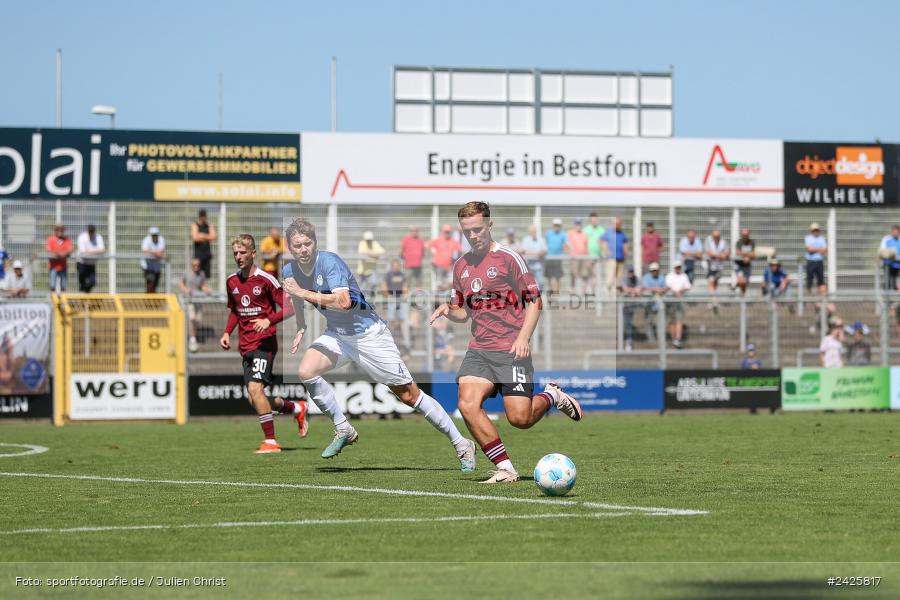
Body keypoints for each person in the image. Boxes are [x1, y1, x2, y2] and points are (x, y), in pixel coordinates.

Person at [281, 219, 474, 467]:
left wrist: (302, 293)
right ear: (290, 247)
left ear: (315, 243)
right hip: (338, 334)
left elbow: (343, 302)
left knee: (409, 395)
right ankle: (343, 428)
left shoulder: (329, 262)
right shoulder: (289, 270)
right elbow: (295, 293)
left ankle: (461, 444)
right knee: (306, 371)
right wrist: (301, 325)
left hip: (369, 335)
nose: (304, 249)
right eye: (298, 245)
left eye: (308, 243)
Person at [430, 201, 582, 484]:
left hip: (512, 349)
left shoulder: (510, 258)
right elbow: (463, 314)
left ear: (489, 225)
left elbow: (535, 300)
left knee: (520, 419)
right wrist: (448, 310)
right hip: (479, 351)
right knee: (467, 403)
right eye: (467, 231)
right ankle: (506, 468)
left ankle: (552, 396)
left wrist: (524, 337)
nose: (473, 235)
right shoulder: (461, 265)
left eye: (477, 229)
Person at [220, 234, 307, 453]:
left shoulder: (266, 279)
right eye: (235, 253)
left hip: (264, 343)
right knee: (255, 398)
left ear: (252, 253)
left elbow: (289, 308)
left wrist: (268, 320)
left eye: (242, 252)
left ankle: (271, 441)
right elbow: (235, 311)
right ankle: (297, 407)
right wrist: (226, 332)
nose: (238, 257)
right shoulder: (232, 281)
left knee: (254, 389)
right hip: (246, 346)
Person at [179, 257, 211, 352]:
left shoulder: (201, 274)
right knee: (191, 319)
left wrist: (206, 290)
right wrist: (186, 290)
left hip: (198, 299)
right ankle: (192, 339)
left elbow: (202, 285)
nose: (196, 267)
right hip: (190, 300)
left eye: (197, 265)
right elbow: (181, 283)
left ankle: (193, 336)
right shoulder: (187, 273)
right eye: (194, 265)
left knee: (197, 320)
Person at [382, 258, 410, 351]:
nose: (395, 267)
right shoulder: (388, 275)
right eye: (394, 266)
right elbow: (384, 287)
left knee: (403, 319)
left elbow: (405, 287)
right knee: (391, 319)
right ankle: (389, 341)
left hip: (400, 299)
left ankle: (406, 342)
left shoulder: (402, 275)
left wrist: (405, 295)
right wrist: (388, 296)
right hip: (392, 299)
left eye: (397, 266)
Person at [665, 261, 691, 349]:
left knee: (679, 320)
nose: (678, 268)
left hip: (679, 301)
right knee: (672, 321)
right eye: (676, 267)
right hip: (671, 301)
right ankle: (674, 339)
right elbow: (667, 287)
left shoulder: (684, 276)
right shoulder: (669, 276)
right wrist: (675, 292)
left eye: (679, 267)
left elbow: (687, 287)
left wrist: (680, 292)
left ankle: (678, 339)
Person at [429, 224, 462, 291]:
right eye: (445, 232)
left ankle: (447, 299)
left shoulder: (453, 241)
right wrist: (433, 253)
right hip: (439, 266)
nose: (447, 233)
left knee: (450, 284)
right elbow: (429, 245)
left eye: (448, 232)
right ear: (442, 232)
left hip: (449, 266)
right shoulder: (438, 240)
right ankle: (439, 300)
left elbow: (460, 250)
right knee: (439, 284)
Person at [601, 216, 629, 293]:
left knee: (619, 280)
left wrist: (626, 252)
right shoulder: (608, 232)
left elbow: (625, 243)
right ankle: (607, 294)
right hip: (611, 259)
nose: (617, 225)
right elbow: (601, 240)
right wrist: (606, 250)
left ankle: (616, 298)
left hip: (621, 259)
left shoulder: (622, 233)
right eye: (616, 223)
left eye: (619, 224)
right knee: (609, 279)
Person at [641, 262, 667, 341]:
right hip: (649, 304)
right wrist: (656, 289)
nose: (654, 272)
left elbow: (665, 288)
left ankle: (661, 338)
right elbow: (645, 288)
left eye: (656, 270)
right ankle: (650, 338)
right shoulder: (646, 277)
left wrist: (658, 290)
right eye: (653, 270)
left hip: (659, 305)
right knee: (648, 322)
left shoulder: (662, 277)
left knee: (661, 322)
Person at [704, 229, 729, 311]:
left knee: (715, 282)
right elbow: (709, 253)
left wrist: (718, 255)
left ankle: (711, 300)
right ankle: (714, 300)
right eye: (714, 237)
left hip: (719, 266)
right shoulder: (708, 241)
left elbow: (726, 253)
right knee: (711, 281)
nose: (716, 238)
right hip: (710, 265)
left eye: (717, 237)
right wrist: (719, 255)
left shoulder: (723, 242)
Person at [76, 224, 105, 293]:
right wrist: (96, 251)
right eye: (90, 231)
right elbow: (83, 252)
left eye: (92, 231)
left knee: (92, 282)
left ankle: (85, 293)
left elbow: (102, 250)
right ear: (87, 231)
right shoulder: (82, 237)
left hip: (91, 264)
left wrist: (89, 251)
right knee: (82, 283)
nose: (91, 233)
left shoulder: (98, 237)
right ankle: (83, 295)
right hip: (82, 263)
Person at [356, 231, 385, 299]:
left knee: (374, 283)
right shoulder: (362, 243)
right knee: (363, 287)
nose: (368, 241)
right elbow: (362, 252)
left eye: (370, 239)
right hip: (363, 270)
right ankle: (363, 300)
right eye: (367, 240)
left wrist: (370, 254)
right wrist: (374, 255)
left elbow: (382, 251)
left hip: (372, 269)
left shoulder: (375, 244)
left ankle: (369, 297)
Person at [566, 218, 591, 293]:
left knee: (584, 275)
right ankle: (572, 291)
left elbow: (586, 247)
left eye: (579, 224)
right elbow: (566, 245)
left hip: (583, 258)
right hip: (574, 258)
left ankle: (584, 291)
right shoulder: (569, 233)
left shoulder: (584, 234)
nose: (578, 225)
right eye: (577, 223)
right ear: (574, 224)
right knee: (573, 274)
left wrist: (588, 258)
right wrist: (570, 253)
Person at [620, 265, 642, 352]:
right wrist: (633, 291)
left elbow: (639, 289)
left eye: (632, 272)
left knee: (628, 323)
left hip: (632, 305)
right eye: (629, 272)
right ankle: (624, 342)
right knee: (625, 324)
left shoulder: (637, 279)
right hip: (623, 305)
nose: (631, 274)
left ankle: (628, 342)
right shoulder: (624, 278)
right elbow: (625, 289)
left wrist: (632, 291)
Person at [582, 212, 606, 290]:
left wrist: (603, 252)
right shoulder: (585, 230)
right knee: (585, 276)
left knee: (594, 275)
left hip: (597, 257)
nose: (594, 221)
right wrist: (586, 256)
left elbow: (603, 243)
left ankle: (593, 293)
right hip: (587, 257)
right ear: (590, 220)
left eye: (595, 220)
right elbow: (583, 243)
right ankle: (584, 293)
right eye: (592, 220)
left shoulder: (601, 230)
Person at [46, 224, 73, 292]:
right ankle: (52, 300)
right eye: (58, 230)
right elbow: (49, 250)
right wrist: (59, 253)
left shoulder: (67, 240)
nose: (60, 231)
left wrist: (63, 253)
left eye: (61, 230)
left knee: (63, 286)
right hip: (53, 266)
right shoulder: (50, 239)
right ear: (55, 231)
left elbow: (70, 249)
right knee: (52, 285)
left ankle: (62, 300)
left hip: (63, 266)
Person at [190, 209, 217, 279]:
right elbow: (194, 238)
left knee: (206, 276)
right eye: (202, 216)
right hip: (198, 254)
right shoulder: (195, 225)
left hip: (207, 254)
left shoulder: (209, 225)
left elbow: (214, 237)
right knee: (196, 274)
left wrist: (202, 235)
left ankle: (204, 289)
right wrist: (207, 236)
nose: (203, 218)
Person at [519, 224, 547, 288]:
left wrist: (531, 253)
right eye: (532, 231)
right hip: (528, 266)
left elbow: (544, 251)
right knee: (527, 283)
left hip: (538, 266)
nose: (533, 233)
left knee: (540, 283)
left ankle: (539, 296)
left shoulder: (541, 240)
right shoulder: (525, 240)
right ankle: (528, 297)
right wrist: (537, 254)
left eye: (534, 231)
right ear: (529, 232)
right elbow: (524, 251)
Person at [544, 218, 567, 294]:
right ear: (553, 225)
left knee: (557, 278)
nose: (556, 226)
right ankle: (551, 296)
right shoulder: (548, 233)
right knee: (550, 278)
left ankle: (555, 296)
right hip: (549, 258)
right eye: (555, 225)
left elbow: (567, 244)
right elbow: (545, 244)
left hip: (558, 259)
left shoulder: (563, 234)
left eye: (558, 225)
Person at [140, 226, 166, 293]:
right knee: (150, 284)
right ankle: (148, 301)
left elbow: (161, 253)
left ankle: (153, 301)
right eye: (153, 235)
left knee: (155, 285)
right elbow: (145, 252)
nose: (154, 236)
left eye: (155, 235)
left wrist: (151, 252)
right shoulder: (146, 240)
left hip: (157, 266)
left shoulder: (161, 240)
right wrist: (156, 253)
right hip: (148, 266)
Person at [804, 222, 827, 297]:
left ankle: (819, 300)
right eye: (814, 230)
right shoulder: (808, 238)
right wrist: (819, 249)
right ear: (811, 231)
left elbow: (824, 250)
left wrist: (814, 249)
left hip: (819, 262)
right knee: (809, 281)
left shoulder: (822, 239)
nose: (815, 231)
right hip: (810, 262)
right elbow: (809, 249)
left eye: (817, 230)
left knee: (820, 281)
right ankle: (807, 299)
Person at [733, 228, 755, 296]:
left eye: (746, 235)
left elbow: (753, 253)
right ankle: (737, 289)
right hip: (739, 265)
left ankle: (741, 295)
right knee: (741, 281)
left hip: (747, 266)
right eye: (743, 235)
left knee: (744, 283)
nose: (745, 236)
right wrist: (747, 256)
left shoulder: (752, 242)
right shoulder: (739, 242)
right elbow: (738, 253)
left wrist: (746, 256)